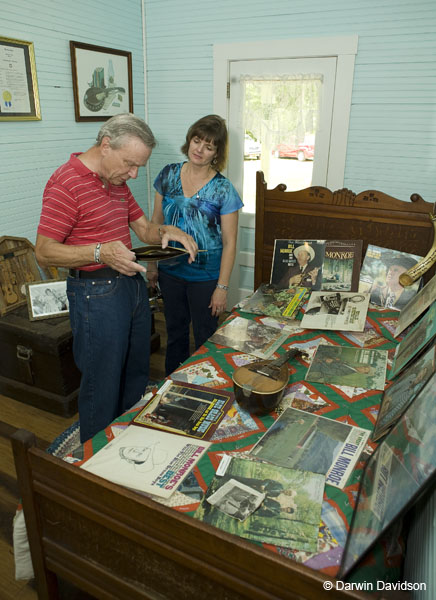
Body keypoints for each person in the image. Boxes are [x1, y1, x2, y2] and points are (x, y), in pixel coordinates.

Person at [35, 113, 198, 443]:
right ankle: (95, 456)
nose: (134, 173)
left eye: (139, 165)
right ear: (106, 145)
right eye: (130, 163)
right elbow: (44, 251)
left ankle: (126, 438)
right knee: (102, 381)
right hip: (95, 292)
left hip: (131, 284)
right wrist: (100, 252)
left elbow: (143, 229)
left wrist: (169, 231)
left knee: (136, 369)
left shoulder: (116, 180)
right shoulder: (66, 183)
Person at [147, 114, 243, 375]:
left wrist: (222, 288)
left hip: (206, 277)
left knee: (206, 338)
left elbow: (230, 241)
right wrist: (153, 265)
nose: (199, 149)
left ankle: (206, 387)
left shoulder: (223, 189)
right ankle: (172, 386)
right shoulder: (168, 174)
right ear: (189, 140)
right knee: (175, 334)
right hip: (171, 272)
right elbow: (156, 223)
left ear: (216, 153)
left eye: (209, 146)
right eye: (197, 140)